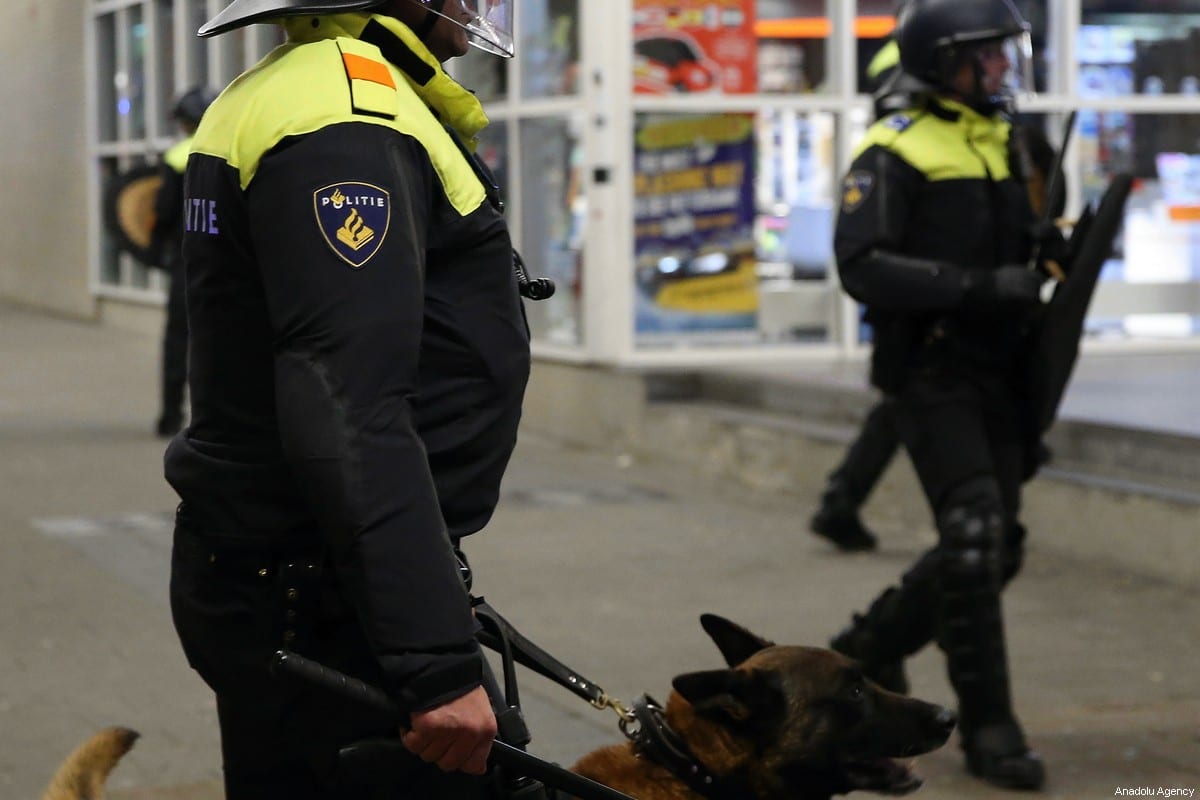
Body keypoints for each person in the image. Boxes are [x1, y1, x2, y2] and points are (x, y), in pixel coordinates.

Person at [165, 1, 528, 798]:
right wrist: (434, 664)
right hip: (317, 589)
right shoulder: (346, 117)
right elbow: (345, 404)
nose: (474, 6)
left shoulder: (300, 90)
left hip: (305, 570)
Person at [827, 0, 1054, 790]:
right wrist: (978, 286)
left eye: (1004, 55)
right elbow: (862, 265)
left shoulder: (1013, 139)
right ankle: (990, 727)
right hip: (931, 374)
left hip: (1006, 377)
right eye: (981, 57)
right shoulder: (893, 148)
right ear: (937, 63)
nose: (999, 70)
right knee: (974, 533)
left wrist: (1053, 247)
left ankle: (866, 647)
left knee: (999, 548)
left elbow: (1031, 238)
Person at [149, 87, 217, 438]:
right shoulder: (228, 148)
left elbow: (162, 212)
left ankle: (170, 417)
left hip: (186, 263)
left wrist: (153, 247)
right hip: (225, 262)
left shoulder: (177, 157)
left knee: (178, 340)